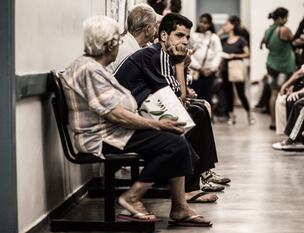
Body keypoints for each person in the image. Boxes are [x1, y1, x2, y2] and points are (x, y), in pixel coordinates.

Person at [60, 16, 211, 226]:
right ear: (109, 45)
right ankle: (132, 198)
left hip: (113, 131)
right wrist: (158, 124)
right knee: (174, 143)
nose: (120, 45)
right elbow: (116, 115)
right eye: (118, 41)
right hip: (101, 137)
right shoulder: (89, 70)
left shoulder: (93, 67)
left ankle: (179, 207)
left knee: (176, 137)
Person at [114, 13, 229, 202]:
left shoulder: (160, 54)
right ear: (164, 36)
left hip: (141, 109)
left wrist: (179, 64)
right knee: (194, 114)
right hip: (129, 117)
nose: (184, 41)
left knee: (197, 110)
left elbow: (175, 96)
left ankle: (199, 176)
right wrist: (179, 63)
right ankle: (189, 186)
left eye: (187, 37)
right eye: (179, 35)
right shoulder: (158, 55)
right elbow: (179, 99)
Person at [260, 7, 296, 130]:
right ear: (280, 18)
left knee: (274, 93)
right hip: (283, 66)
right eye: (286, 17)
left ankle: (273, 122)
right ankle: (283, 124)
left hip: (270, 65)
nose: (287, 20)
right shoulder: (284, 29)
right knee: (283, 93)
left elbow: (263, 43)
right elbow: (295, 43)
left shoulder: (268, 30)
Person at [221, 15, 253, 125]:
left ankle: (249, 114)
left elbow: (247, 54)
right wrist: (221, 32)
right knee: (228, 94)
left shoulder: (241, 40)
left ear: (233, 25)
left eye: (227, 24)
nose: (225, 26)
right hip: (225, 69)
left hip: (236, 68)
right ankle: (231, 116)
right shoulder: (224, 39)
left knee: (240, 93)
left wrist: (235, 55)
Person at [108, 3, 158, 72]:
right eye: (155, 26)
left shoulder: (130, 43)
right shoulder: (129, 52)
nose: (156, 30)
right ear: (147, 29)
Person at [190, 13, 222, 105]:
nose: (202, 24)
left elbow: (218, 53)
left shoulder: (214, 37)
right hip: (196, 72)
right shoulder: (193, 36)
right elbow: (189, 53)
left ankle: (207, 117)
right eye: (201, 22)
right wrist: (198, 67)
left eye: (205, 22)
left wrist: (212, 68)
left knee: (207, 97)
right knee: (195, 96)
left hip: (209, 73)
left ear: (210, 24)